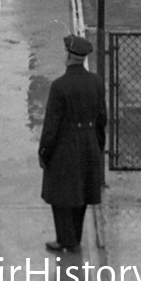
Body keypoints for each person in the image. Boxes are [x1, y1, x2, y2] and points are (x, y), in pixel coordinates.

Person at [39, 34, 106, 254]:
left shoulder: (60, 86)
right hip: (88, 141)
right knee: (82, 192)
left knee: (60, 194)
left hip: (65, 144)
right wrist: (98, 146)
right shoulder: (96, 82)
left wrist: (44, 151)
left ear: (68, 55)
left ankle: (65, 239)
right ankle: (74, 237)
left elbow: (51, 124)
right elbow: (101, 118)